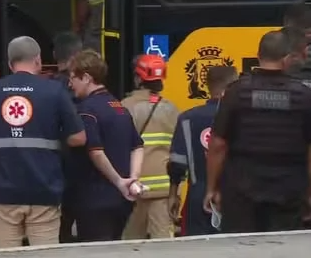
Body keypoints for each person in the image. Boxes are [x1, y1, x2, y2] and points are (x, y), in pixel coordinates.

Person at [0, 36, 86, 249]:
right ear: (38, 60)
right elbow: (79, 137)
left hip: (3, 193)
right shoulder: (54, 91)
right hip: (43, 190)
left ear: (10, 63)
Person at [205, 29, 311, 233]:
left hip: (241, 190)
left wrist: (212, 188)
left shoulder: (235, 92)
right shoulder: (304, 96)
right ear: (287, 59)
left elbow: (218, 145)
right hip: (288, 189)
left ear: (257, 56)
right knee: (282, 253)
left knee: (242, 251)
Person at [67, 49, 144, 242]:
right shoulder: (119, 107)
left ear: (86, 78)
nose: (70, 84)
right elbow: (138, 147)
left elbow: (95, 151)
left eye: (72, 78)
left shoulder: (86, 111)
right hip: (122, 200)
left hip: (94, 198)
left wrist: (119, 181)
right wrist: (131, 179)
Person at [168, 65, 237, 237]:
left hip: (197, 195)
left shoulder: (187, 118)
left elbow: (177, 163)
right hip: (233, 195)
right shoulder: (239, 116)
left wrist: (173, 194)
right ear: (232, 85)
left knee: (196, 250)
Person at [121, 54, 179, 240]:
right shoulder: (171, 109)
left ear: (138, 78)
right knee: (163, 249)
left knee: (129, 246)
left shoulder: (124, 107)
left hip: (134, 189)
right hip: (163, 190)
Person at [51, 32, 83, 243]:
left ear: (54, 55)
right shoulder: (83, 91)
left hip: (53, 166)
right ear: (77, 57)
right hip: (79, 165)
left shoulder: (47, 88)